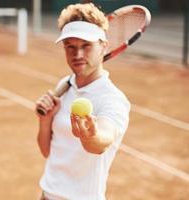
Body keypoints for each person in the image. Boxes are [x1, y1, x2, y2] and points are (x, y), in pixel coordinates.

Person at [35, 3, 131, 200]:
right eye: (70, 47)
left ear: (104, 46)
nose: (77, 55)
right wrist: (44, 121)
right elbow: (47, 152)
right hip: (47, 194)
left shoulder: (113, 99)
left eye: (86, 46)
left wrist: (90, 135)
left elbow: (100, 143)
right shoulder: (65, 84)